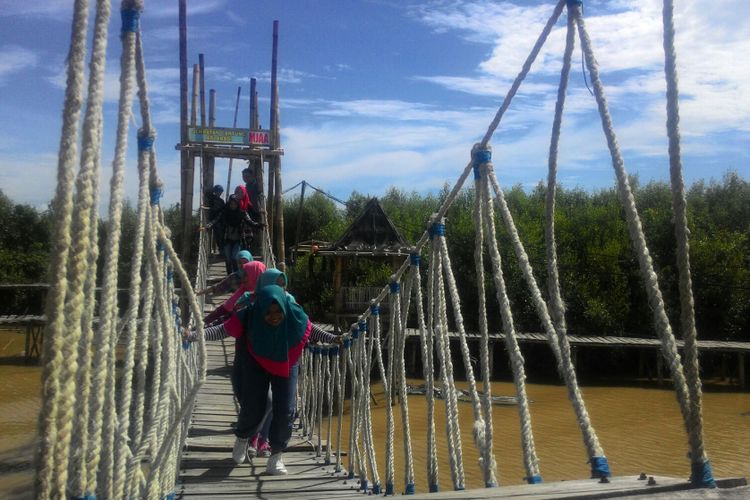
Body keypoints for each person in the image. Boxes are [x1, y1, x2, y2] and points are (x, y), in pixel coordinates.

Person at [185, 285, 342, 475]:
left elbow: (312, 330)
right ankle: (243, 438)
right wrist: (193, 335)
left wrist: (334, 339)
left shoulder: (294, 314)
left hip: (287, 358)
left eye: (278, 311)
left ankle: (276, 456)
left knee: (286, 409)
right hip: (256, 359)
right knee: (254, 405)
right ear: (260, 310)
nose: (274, 315)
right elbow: (221, 331)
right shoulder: (249, 314)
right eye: (268, 312)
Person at [203, 194, 262, 274]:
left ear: (237, 204)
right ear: (229, 204)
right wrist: (207, 227)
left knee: (234, 257)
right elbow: (215, 220)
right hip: (227, 239)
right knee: (228, 258)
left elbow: (250, 222)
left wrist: (259, 225)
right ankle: (229, 275)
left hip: (238, 240)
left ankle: (236, 274)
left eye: (235, 204)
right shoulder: (224, 213)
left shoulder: (242, 213)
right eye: (231, 204)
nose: (233, 206)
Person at [201, 259, 266, 326]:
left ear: (255, 275)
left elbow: (226, 324)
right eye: (243, 274)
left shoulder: (255, 301)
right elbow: (221, 311)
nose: (242, 277)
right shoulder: (242, 290)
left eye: (246, 275)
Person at [204, 185, 225, 253]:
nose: (219, 193)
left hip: (219, 219)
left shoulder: (221, 201)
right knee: (208, 234)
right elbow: (207, 193)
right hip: (211, 218)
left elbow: (223, 211)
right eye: (218, 191)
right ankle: (208, 250)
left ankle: (221, 249)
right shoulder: (211, 197)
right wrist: (212, 190)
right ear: (215, 191)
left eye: (220, 192)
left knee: (219, 235)